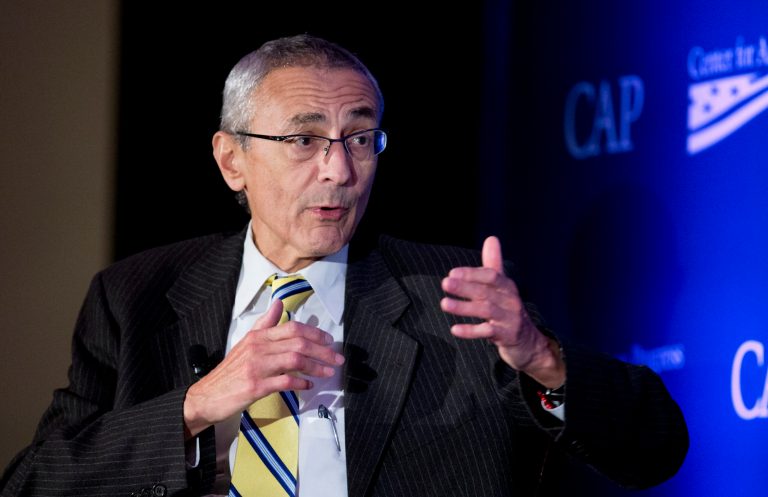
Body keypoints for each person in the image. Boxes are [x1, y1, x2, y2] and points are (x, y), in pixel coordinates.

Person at [0, 34, 688, 497]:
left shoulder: (451, 296)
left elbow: (655, 448)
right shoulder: (135, 298)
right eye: (304, 139)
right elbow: (34, 483)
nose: (340, 168)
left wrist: (541, 356)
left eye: (360, 137)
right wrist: (198, 403)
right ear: (231, 158)